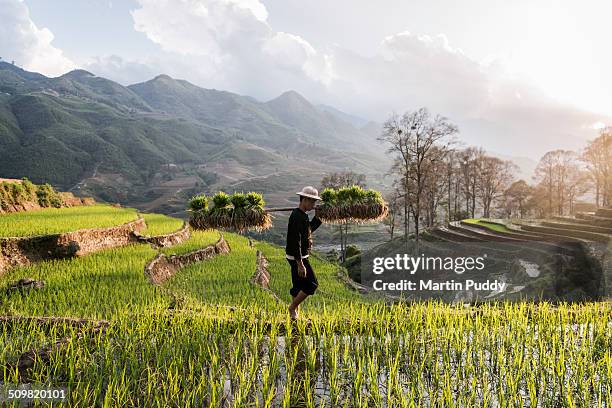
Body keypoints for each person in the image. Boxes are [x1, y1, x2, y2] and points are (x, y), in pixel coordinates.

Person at [286, 186, 323, 319]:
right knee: (312, 284)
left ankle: (294, 315)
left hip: (297, 256)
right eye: (312, 202)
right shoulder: (297, 216)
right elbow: (295, 240)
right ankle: (291, 308)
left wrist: (317, 218)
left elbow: (308, 231)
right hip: (298, 257)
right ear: (305, 200)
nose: (314, 205)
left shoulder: (302, 215)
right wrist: (300, 263)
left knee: (298, 286)